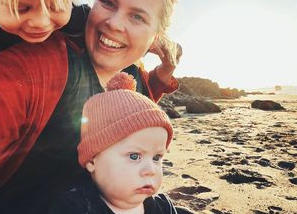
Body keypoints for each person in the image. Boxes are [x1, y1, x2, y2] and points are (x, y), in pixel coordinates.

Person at [0, 0, 181, 214]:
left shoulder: (133, 78)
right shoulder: (42, 65)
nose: (114, 23)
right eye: (108, 2)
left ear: (155, 38)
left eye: (137, 17)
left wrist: (167, 70)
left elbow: (134, 113)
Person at [49, 73, 193, 214]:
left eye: (157, 158)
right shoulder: (75, 207)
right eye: (134, 156)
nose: (151, 170)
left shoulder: (162, 207)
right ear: (92, 160)